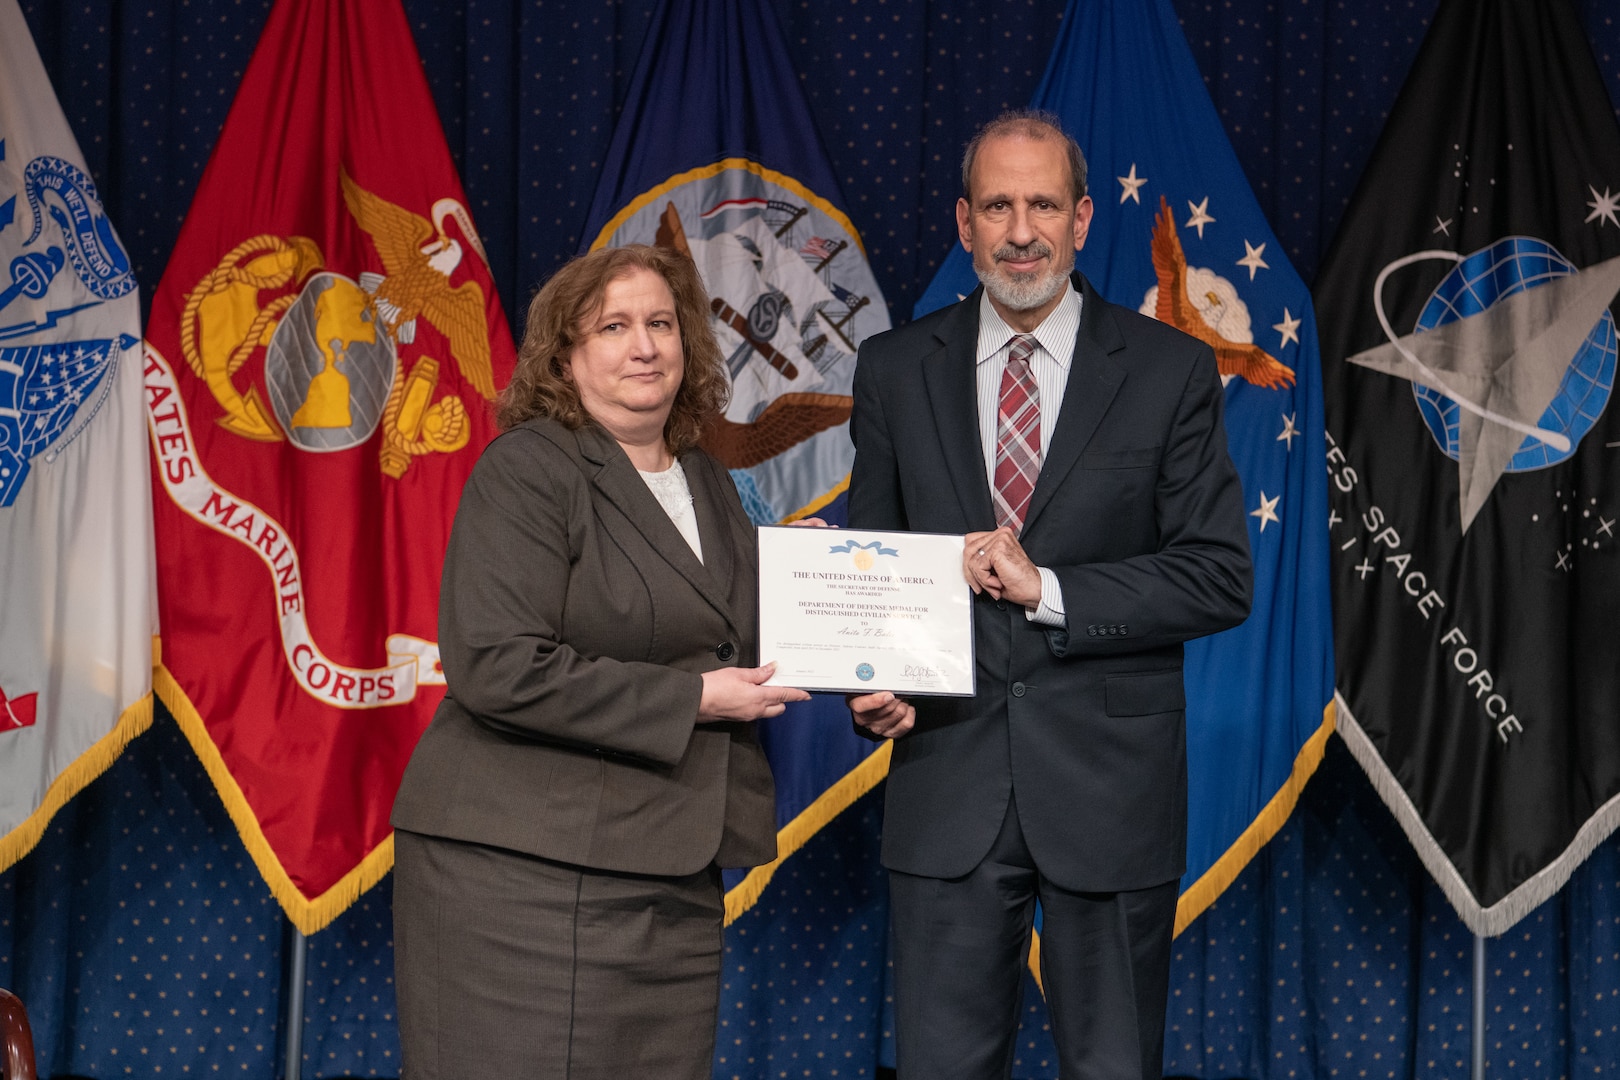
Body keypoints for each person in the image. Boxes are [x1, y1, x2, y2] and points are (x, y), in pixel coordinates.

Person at [846, 110, 1253, 1079]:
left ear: (1079, 220)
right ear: (963, 222)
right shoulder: (895, 370)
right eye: (997, 205)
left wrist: (1051, 589)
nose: (1019, 229)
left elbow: (1218, 575)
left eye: (1041, 204)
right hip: (948, 787)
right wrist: (869, 680)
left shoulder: (1170, 371)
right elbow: (875, 571)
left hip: (1111, 796)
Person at [390, 243, 809, 1079]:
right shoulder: (530, 469)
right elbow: (498, 664)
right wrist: (690, 700)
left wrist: (819, 582)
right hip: (524, 878)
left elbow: (721, 633)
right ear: (566, 353)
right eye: (613, 326)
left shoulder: (709, 480)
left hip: (669, 874)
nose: (644, 345)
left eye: (660, 323)